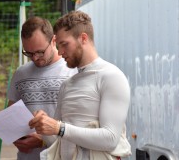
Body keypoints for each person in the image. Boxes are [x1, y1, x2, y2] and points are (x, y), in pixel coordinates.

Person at [29, 10, 131, 159]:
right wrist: (44, 125)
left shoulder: (111, 76)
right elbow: (57, 140)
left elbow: (110, 139)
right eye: (58, 46)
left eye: (64, 44)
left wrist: (59, 127)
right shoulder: (67, 85)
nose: (61, 52)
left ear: (83, 38)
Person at [7, 16, 77, 160]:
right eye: (28, 53)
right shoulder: (21, 74)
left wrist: (44, 140)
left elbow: (81, 128)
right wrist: (15, 136)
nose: (35, 58)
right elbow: (11, 115)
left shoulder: (72, 71)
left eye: (39, 52)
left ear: (53, 41)